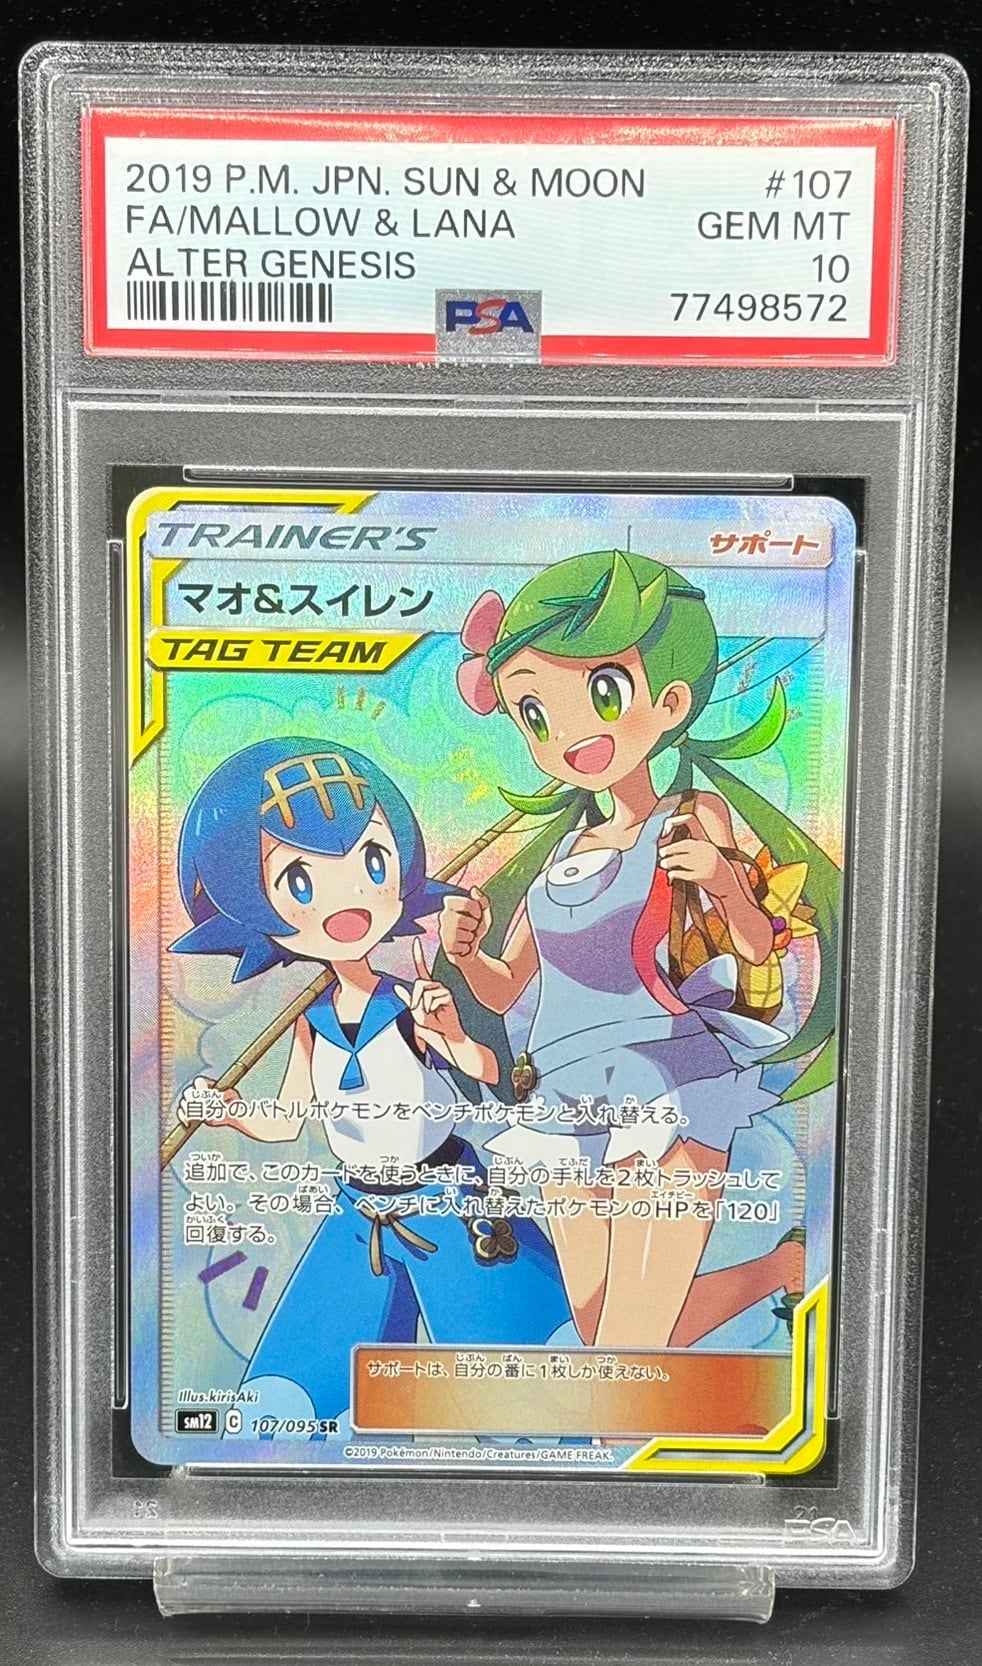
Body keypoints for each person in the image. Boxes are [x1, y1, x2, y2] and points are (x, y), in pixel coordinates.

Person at [442, 551, 824, 1348]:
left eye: (603, 692)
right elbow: (508, 989)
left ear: (671, 700)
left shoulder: (690, 815)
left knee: (629, 1341)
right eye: (535, 714)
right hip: (562, 1096)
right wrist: (468, 952)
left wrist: (722, 881)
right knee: (598, 1331)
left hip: (666, 1078)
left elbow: (759, 948)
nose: (568, 734)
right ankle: (779, 1270)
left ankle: (776, 1271)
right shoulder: (562, 852)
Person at [172, 738, 571, 1428]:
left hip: (452, 1206)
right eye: (301, 881)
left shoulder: (413, 1000)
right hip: (360, 1220)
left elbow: (486, 1071)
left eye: (372, 862)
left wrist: (449, 1033)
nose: (350, 897)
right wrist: (224, 1110)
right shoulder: (312, 1023)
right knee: (286, 1407)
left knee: (535, 1402)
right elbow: (286, 1122)